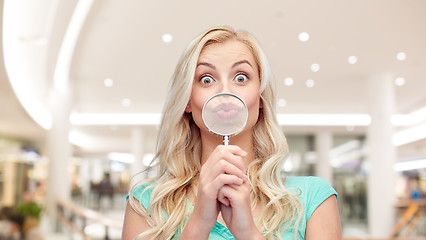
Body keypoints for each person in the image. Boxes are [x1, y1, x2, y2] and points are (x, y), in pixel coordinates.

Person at [122, 26, 342, 240]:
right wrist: (198, 224)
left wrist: (248, 233)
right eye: (206, 79)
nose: (225, 91)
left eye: (241, 77)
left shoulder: (313, 199)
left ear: (261, 95)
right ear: (187, 101)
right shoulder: (147, 202)